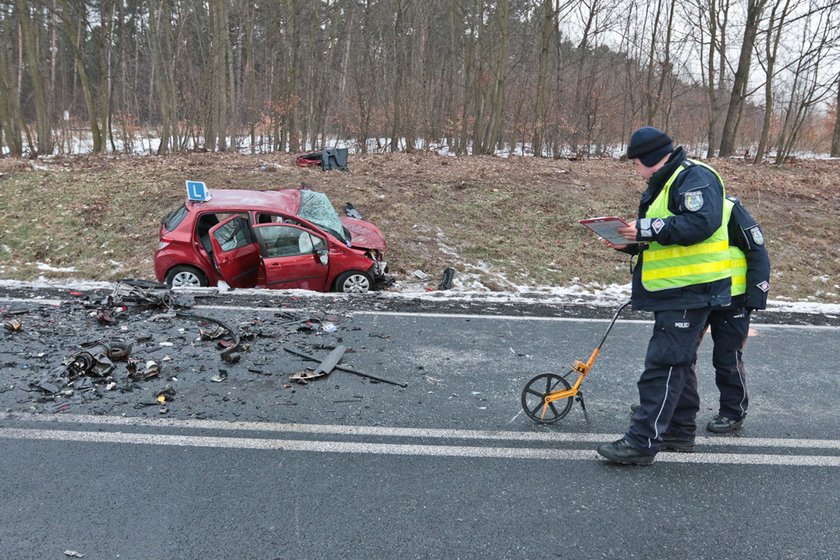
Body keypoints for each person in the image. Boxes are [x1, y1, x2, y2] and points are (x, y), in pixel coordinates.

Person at [596, 126, 732, 465]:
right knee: (677, 362)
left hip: (691, 289)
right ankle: (677, 430)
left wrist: (644, 229)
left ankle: (641, 443)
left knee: (664, 365)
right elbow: (667, 239)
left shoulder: (694, 177)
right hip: (676, 290)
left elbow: (701, 223)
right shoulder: (667, 182)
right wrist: (629, 243)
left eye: (635, 162)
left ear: (649, 158)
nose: (635, 169)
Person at [629, 196, 771, 443]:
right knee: (682, 356)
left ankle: (733, 412)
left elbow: (757, 250)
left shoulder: (729, 208)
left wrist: (756, 296)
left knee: (727, 358)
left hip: (734, 299)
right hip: (697, 296)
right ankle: (665, 407)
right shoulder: (675, 206)